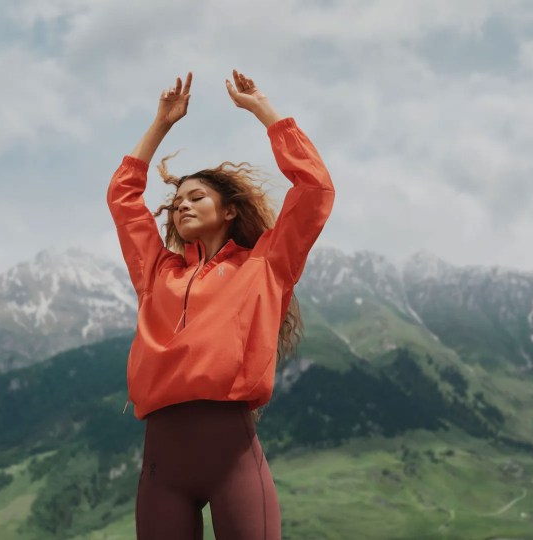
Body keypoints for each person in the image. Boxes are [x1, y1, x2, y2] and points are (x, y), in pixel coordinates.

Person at [106, 69, 334, 539]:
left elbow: (315, 191)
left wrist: (263, 111)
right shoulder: (157, 272)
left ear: (229, 210)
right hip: (161, 463)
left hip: (231, 456)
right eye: (176, 201)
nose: (180, 206)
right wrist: (161, 124)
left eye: (196, 197)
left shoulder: (265, 265)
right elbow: (123, 198)